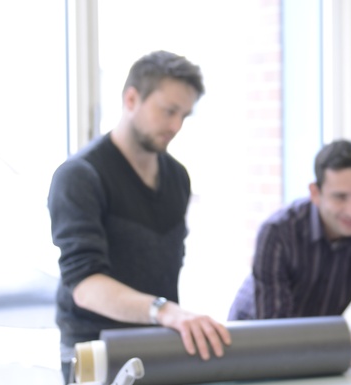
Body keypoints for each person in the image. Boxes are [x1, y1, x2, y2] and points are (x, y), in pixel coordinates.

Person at [48, 51, 230, 383]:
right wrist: (166, 311)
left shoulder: (177, 176)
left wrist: (169, 318)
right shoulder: (79, 176)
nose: (176, 126)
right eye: (168, 111)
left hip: (159, 348)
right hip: (96, 355)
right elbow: (85, 285)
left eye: (184, 116)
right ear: (131, 99)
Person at [229, 139, 351, 368]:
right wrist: (342, 347)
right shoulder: (278, 233)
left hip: (316, 352)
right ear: (315, 193)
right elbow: (273, 331)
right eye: (340, 197)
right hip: (251, 348)